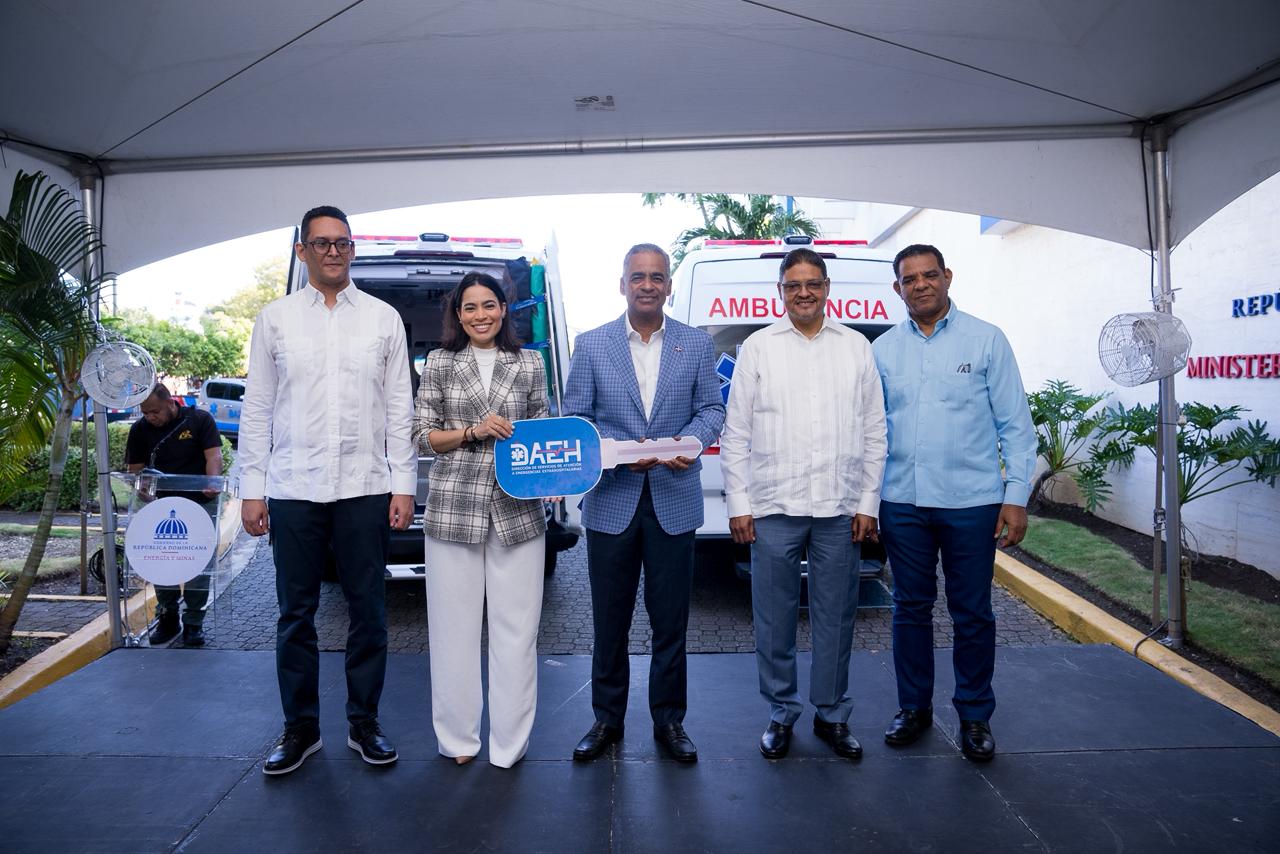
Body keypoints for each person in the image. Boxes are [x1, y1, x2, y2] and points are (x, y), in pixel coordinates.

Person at [239, 205, 416, 777]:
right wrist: (252, 489)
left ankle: (365, 723)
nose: (333, 251)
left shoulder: (384, 319)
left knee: (369, 611)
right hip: (294, 486)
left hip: (366, 486)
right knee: (296, 614)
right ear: (303, 251)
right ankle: (301, 729)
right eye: (321, 243)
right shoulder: (275, 319)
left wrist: (403, 484)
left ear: (352, 249)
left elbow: (400, 408)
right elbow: (258, 408)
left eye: (342, 242)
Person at [720, 248, 887, 760]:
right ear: (781, 292)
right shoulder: (758, 348)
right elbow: (736, 433)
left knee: (837, 617)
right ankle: (781, 712)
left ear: (827, 287)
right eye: (793, 285)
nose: (804, 293)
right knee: (774, 619)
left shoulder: (856, 347)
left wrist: (868, 502)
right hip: (773, 507)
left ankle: (832, 714)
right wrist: (739, 503)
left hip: (839, 509)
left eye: (813, 283)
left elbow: (874, 431)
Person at [873, 244, 1036, 763]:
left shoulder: (987, 340)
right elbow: (871, 431)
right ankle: (913, 708)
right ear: (897, 288)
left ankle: (974, 714)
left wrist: (1015, 498)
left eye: (929, 275)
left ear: (947, 277)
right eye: (909, 279)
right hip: (902, 501)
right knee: (910, 609)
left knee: (972, 612)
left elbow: (1016, 426)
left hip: (972, 503)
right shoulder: (883, 350)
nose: (920, 285)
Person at [562, 243, 725, 764]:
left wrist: (689, 444)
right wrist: (616, 453)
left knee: (670, 621)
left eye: (657, 276)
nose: (648, 285)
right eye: (639, 276)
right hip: (613, 500)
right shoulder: (592, 345)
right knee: (609, 620)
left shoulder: (696, 344)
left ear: (669, 286)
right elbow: (578, 418)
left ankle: (669, 721)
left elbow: (711, 409)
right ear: (623, 284)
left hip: (674, 499)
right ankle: (606, 719)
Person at [412, 272, 551, 768]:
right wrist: (472, 431)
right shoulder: (439, 362)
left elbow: (544, 429)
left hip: (519, 511)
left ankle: (510, 745)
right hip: (454, 508)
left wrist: (552, 476)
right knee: (453, 632)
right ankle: (458, 741)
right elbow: (422, 435)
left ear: (504, 309)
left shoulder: (530, 362)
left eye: (488, 305)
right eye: (469, 307)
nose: (480, 315)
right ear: (458, 314)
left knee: (518, 633)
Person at [124, 383, 223, 647]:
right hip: (160, 505)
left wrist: (212, 482)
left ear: (171, 403)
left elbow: (214, 456)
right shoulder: (139, 430)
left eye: (155, 411)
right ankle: (168, 617)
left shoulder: (199, 420)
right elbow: (136, 470)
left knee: (197, 564)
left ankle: (194, 623)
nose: (150, 417)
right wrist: (142, 489)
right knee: (162, 561)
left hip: (200, 503)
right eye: (145, 413)